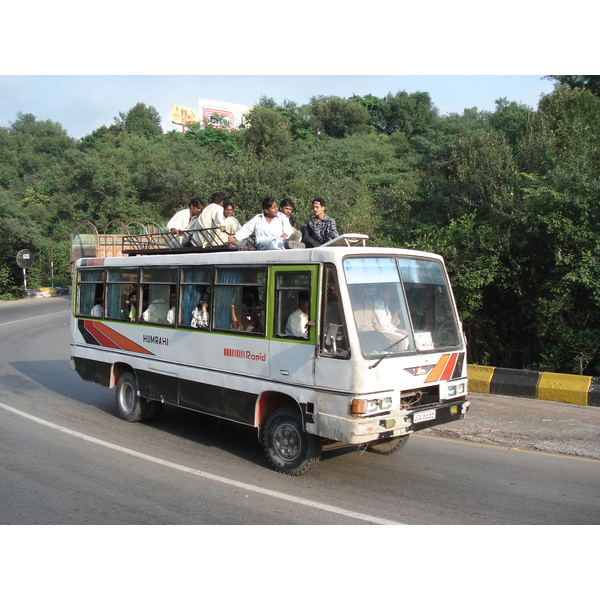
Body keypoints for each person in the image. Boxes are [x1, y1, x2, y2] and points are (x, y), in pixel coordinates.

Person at [228, 197, 305, 250]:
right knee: (274, 243)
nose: (276, 209)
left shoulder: (281, 216)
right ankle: (291, 245)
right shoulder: (257, 219)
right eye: (273, 208)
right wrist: (235, 238)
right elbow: (246, 229)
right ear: (266, 210)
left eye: (276, 207)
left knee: (282, 240)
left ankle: (291, 244)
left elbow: (288, 230)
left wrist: (284, 236)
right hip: (264, 244)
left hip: (281, 241)